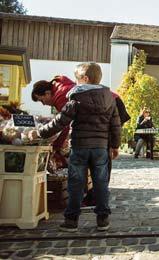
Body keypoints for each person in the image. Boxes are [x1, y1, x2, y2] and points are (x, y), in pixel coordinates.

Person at [29, 62, 121, 232]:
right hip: (100, 148)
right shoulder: (109, 97)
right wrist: (115, 146)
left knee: (76, 184)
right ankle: (103, 219)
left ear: (85, 79)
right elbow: (115, 125)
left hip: (79, 147)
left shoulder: (76, 97)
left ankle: (71, 221)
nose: (75, 83)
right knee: (101, 183)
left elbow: (60, 122)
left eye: (77, 79)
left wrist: (39, 133)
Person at [31, 76, 75, 169]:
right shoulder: (62, 89)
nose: (43, 104)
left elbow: (63, 124)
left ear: (47, 93)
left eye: (41, 100)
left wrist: (55, 147)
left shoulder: (61, 96)